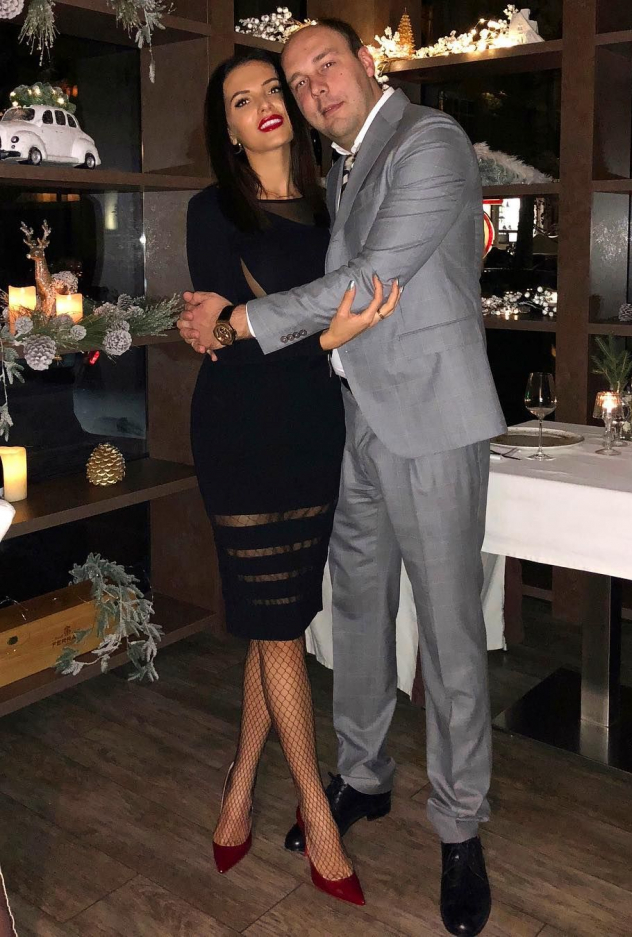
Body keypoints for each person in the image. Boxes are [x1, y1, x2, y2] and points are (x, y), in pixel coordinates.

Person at [178, 20, 505, 936]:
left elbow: (370, 277)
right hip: (346, 421)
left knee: (447, 631)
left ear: (366, 64)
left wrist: (241, 321)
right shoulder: (342, 170)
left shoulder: (428, 141)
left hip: (430, 418)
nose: (312, 87)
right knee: (358, 613)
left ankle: (459, 824)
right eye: (295, 79)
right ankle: (362, 774)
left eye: (325, 66)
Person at [186, 49, 399, 907]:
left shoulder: (332, 205)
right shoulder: (212, 211)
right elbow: (219, 341)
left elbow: (258, 324)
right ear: (229, 130)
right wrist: (328, 335)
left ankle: (239, 786)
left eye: (272, 89)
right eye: (242, 101)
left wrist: (287, 331)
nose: (266, 104)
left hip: (313, 433)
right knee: (278, 631)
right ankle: (317, 808)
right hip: (239, 438)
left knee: (273, 620)